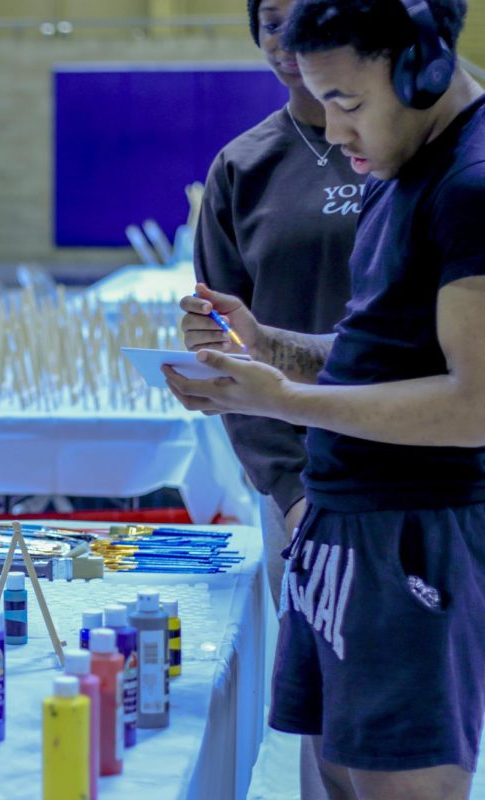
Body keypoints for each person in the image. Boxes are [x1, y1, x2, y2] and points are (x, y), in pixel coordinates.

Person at [167, 0, 483, 796]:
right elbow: (373, 354)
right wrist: (265, 344)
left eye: (344, 102)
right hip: (349, 523)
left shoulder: (471, 184)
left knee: (400, 781)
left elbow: (474, 404)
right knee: (337, 772)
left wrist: (286, 402)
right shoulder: (402, 162)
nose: (334, 136)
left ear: (423, 68)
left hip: (413, 533)